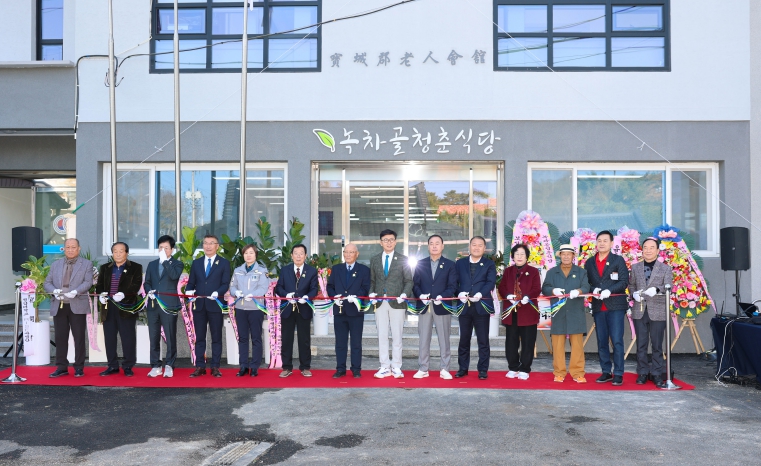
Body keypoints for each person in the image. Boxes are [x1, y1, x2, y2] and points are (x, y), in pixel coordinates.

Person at [585, 230, 630, 386]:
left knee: (617, 340)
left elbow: (624, 281)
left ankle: (618, 373)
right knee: (601, 340)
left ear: (611, 243)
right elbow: (586, 283)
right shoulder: (589, 262)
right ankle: (606, 371)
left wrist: (609, 290)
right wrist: (594, 290)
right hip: (599, 306)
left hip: (616, 306)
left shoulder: (618, 260)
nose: (602, 243)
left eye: (605, 240)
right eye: (599, 240)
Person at [44, 238, 93, 378]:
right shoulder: (56, 264)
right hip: (59, 305)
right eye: (68, 247)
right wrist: (54, 291)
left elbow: (88, 282)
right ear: (64, 248)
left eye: (73, 247)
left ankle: (79, 367)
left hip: (77, 304)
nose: (70, 250)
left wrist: (76, 291)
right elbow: (47, 282)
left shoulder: (86, 264)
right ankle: (61, 367)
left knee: (79, 338)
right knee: (60, 338)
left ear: (79, 248)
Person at [412, 234, 458, 380]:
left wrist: (442, 296)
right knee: (423, 338)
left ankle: (445, 368)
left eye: (437, 243)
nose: (434, 246)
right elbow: (415, 284)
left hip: (442, 305)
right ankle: (423, 368)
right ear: (428, 246)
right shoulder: (421, 263)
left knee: (444, 339)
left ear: (442, 246)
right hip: (424, 306)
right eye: (431, 243)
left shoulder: (450, 264)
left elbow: (452, 286)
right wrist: (420, 295)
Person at [368, 229, 413, 379]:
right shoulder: (374, 260)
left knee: (397, 336)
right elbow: (372, 281)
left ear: (395, 242)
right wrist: (371, 294)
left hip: (397, 303)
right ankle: (384, 366)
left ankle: (397, 366)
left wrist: (404, 294)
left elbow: (409, 281)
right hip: (380, 302)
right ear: (380, 242)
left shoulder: (403, 259)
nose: (389, 242)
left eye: (391, 240)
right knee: (382, 335)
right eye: (385, 240)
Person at [542, 244, 591, 383]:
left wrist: (579, 291)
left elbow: (586, 286)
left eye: (568, 254)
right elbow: (545, 288)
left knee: (577, 345)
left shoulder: (581, 272)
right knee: (557, 345)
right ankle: (559, 372)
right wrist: (553, 291)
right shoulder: (552, 272)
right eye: (563, 254)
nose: (566, 256)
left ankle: (578, 373)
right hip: (558, 312)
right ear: (560, 256)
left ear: (573, 256)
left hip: (575, 312)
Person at [629, 237, 673, 388]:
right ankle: (642, 372)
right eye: (645, 248)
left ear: (658, 250)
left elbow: (669, 286)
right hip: (640, 309)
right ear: (642, 250)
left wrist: (657, 289)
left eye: (651, 247)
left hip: (658, 310)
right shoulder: (635, 267)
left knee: (657, 345)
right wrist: (633, 293)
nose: (648, 250)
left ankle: (656, 373)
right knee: (641, 344)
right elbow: (631, 285)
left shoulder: (665, 268)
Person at [185, 234, 231, 378]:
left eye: (212, 243)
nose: (208, 246)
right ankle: (200, 366)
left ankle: (215, 366)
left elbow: (225, 283)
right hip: (199, 306)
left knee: (216, 337)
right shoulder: (197, 263)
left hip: (215, 305)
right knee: (199, 337)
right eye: (205, 243)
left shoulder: (224, 263)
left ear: (217, 246)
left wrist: (218, 292)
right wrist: (188, 291)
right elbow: (191, 282)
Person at [96, 242, 144, 377]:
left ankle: (128, 366)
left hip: (126, 306)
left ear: (126, 253)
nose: (117, 254)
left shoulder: (135, 267)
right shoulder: (105, 268)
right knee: (109, 338)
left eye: (121, 251)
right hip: (108, 306)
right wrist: (101, 294)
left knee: (128, 338)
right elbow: (99, 285)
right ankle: (112, 366)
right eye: (115, 251)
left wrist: (123, 293)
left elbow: (136, 285)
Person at [454, 236, 497, 380]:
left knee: (483, 340)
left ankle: (483, 370)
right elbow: (454, 282)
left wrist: (480, 294)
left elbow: (490, 282)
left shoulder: (489, 264)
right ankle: (462, 368)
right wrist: (459, 293)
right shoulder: (460, 263)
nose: (476, 247)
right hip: (464, 306)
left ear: (484, 248)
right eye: (474, 245)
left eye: (480, 245)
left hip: (481, 306)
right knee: (464, 339)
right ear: (469, 247)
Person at [498, 243, 542, 380]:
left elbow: (537, 288)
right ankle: (513, 367)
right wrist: (508, 295)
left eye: (522, 254)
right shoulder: (508, 271)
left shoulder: (533, 271)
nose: (519, 256)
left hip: (528, 311)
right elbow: (501, 287)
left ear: (527, 256)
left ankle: (525, 368)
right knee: (511, 342)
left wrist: (528, 296)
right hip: (511, 312)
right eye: (517, 254)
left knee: (528, 342)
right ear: (513, 256)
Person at [327, 243, 371, 378]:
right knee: (340, 342)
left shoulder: (364, 270)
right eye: (346, 252)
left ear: (357, 254)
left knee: (356, 342)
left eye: (351, 252)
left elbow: (366, 287)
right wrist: (334, 297)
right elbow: (330, 286)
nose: (348, 254)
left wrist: (356, 296)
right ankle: (340, 369)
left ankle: (356, 369)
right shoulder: (336, 269)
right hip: (340, 309)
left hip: (355, 311)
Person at [275, 244, 319, 378]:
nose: (298, 256)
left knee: (304, 339)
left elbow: (314, 289)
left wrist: (307, 297)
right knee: (286, 339)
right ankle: (286, 367)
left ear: (306, 256)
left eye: (301, 253)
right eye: (296, 253)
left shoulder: (311, 271)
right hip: (287, 308)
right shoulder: (285, 270)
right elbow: (278, 288)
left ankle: (305, 367)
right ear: (291, 255)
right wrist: (286, 295)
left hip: (304, 308)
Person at [143, 235, 184, 378]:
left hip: (169, 304)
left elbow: (174, 276)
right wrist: (149, 290)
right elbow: (147, 282)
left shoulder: (177, 264)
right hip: (153, 305)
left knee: (170, 336)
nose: (163, 250)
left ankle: (169, 365)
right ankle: (155, 365)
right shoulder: (152, 264)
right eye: (161, 247)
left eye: (166, 248)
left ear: (172, 249)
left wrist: (165, 261)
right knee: (153, 336)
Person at [230, 244, 272, 377]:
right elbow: (232, 287)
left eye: (251, 253)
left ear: (256, 255)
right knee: (242, 338)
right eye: (246, 253)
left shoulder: (262, 271)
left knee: (256, 338)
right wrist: (236, 292)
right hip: (240, 308)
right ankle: (243, 365)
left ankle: (254, 366)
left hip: (255, 308)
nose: (248, 255)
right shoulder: (238, 270)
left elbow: (263, 288)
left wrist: (252, 295)